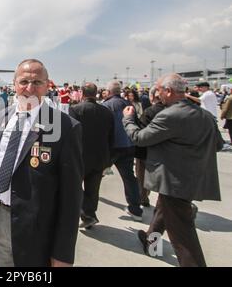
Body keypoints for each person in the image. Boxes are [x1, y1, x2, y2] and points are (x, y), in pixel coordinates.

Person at [0, 59, 83, 267]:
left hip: (37, 229)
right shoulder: (1, 117)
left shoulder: (65, 127)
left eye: (37, 82)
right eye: (24, 81)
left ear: (47, 85)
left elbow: (72, 196)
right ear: (14, 84)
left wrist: (63, 252)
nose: (29, 88)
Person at [123, 74, 223, 267]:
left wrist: (128, 119)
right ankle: (151, 243)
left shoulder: (170, 115)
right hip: (192, 178)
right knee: (163, 210)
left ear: (168, 91)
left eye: (159, 89)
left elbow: (140, 137)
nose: (157, 93)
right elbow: (217, 144)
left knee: (183, 237)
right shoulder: (205, 115)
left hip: (174, 182)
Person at [69, 83, 114, 229]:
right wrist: (109, 160)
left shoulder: (75, 109)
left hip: (80, 156)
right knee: (93, 189)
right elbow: (111, 136)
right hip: (100, 156)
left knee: (74, 186)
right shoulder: (106, 111)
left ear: (82, 93)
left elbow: (70, 134)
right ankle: (90, 214)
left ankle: (87, 214)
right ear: (97, 94)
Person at [103, 81, 143, 221]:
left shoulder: (106, 105)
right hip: (128, 145)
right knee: (129, 177)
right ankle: (135, 209)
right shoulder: (128, 104)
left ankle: (87, 210)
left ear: (108, 92)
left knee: (94, 176)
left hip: (112, 147)